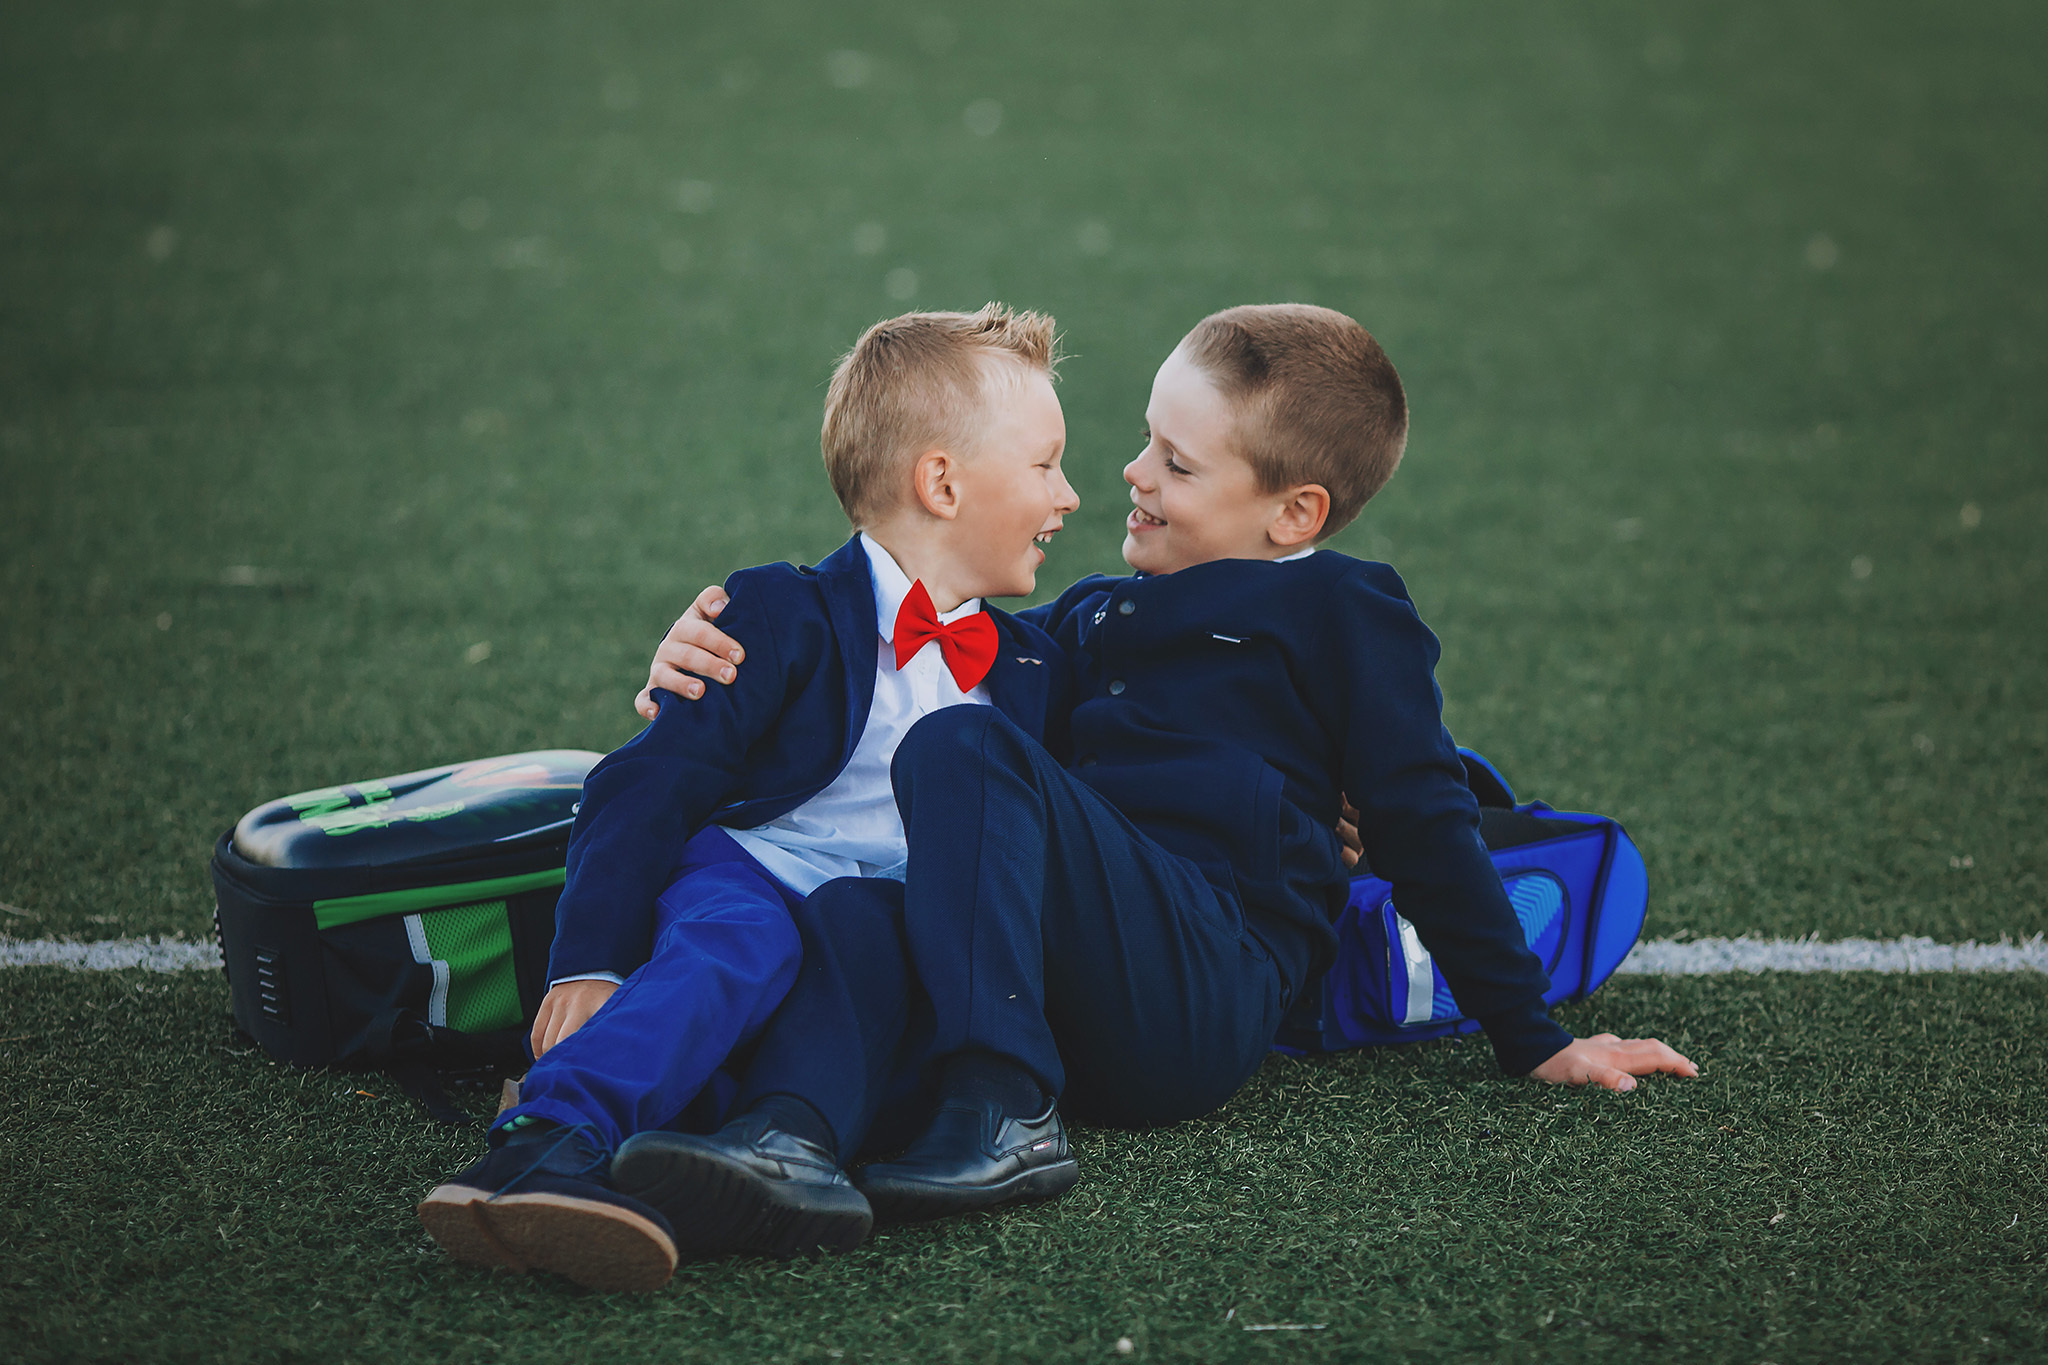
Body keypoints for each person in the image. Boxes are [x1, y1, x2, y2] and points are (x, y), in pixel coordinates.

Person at [616, 304, 1695, 1255]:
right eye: (1145, 441)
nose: (1131, 474)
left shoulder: (1341, 612)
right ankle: (785, 1138)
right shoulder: (1088, 613)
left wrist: (1532, 1036)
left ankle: (1000, 1110)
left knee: (959, 753)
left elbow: (1422, 816)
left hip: (1203, 978)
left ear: (1294, 516)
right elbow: (899, 650)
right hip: (1067, 984)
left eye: (1176, 465)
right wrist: (733, 653)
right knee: (857, 904)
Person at [415, 304, 1082, 1293]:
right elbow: (644, 781)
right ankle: (547, 1137)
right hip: (758, 876)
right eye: (1043, 465)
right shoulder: (777, 612)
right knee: (742, 947)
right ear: (940, 482)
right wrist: (588, 961)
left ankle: (712, 1159)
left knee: (879, 1032)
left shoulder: (1036, 665)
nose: (1066, 495)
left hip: (884, 938)